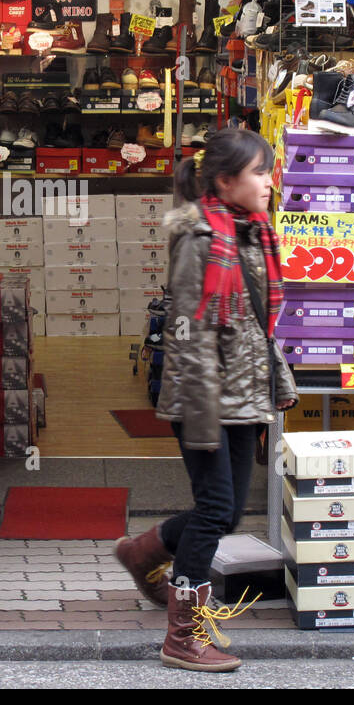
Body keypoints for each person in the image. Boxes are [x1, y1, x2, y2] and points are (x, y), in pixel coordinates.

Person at [114, 127, 297, 673]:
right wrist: (199, 417)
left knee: (230, 511)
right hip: (207, 397)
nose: (269, 181)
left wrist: (276, 382)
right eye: (259, 171)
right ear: (225, 180)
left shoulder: (250, 230)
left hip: (242, 393)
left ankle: (143, 550)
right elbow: (188, 334)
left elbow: (256, 326)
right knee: (216, 509)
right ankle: (183, 636)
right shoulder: (199, 239)